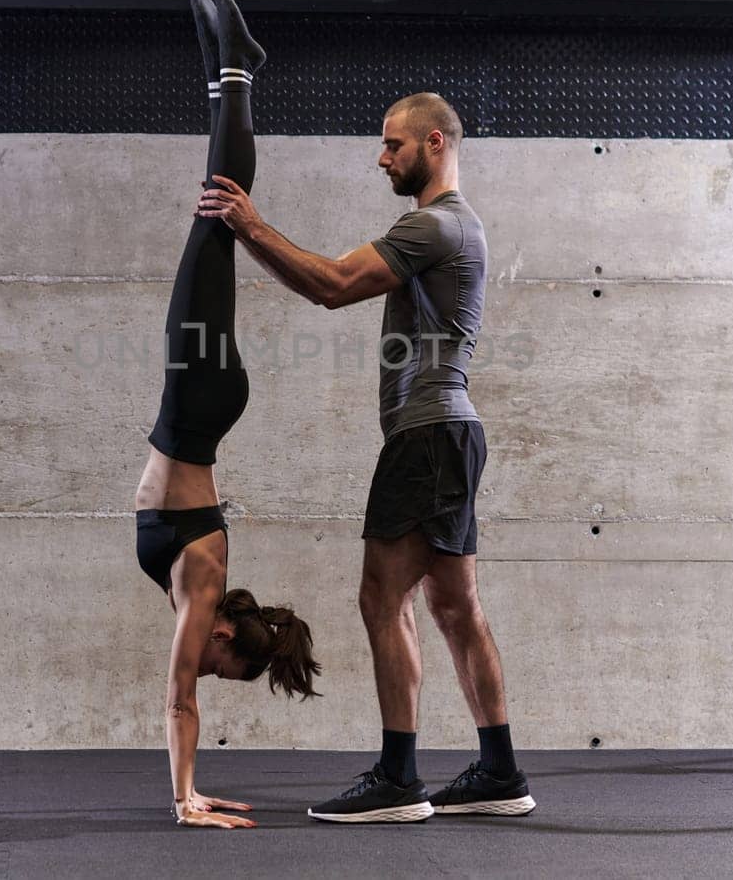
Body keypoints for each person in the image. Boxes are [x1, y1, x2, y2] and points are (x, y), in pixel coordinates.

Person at [197, 92, 534, 823]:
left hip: (427, 436)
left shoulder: (432, 225)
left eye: (393, 145)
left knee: (383, 599)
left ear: (435, 143)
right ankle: (500, 770)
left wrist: (248, 222)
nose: (382, 158)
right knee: (453, 604)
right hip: (448, 434)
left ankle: (397, 777)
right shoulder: (457, 225)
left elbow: (333, 285)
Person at [135, 0, 321, 830]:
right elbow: (178, 699)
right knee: (217, 214)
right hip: (200, 395)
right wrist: (184, 799)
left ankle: (226, 72)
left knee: (212, 218)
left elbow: (185, 687)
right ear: (225, 642)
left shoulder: (197, 594)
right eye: (223, 668)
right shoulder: (202, 586)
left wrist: (191, 789)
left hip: (198, 402)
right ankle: (238, 68)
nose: (204, 669)